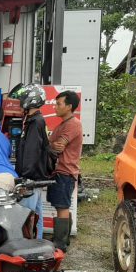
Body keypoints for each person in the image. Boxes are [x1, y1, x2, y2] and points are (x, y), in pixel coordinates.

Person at [46, 90, 82, 252]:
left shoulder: (73, 124)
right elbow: (53, 144)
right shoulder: (63, 124)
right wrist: (51, 144)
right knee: (60, 205)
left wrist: (50, 145)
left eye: (59, 104)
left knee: (62, 207)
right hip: (60, 171)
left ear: (69, 106)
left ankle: (60, 243)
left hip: (65, 171)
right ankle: (63, 239)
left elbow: (58, 146)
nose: (55, 106)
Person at [14, 83, 49, 239]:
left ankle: (27, 247)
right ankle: (38, 243)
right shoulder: (33, 120)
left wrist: (25, 179)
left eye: (22, 99)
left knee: (26, 216)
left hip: (31, 179)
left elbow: (31, 152)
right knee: (36, 215)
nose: (20, 102)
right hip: (34, 178)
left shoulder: (35, 123)